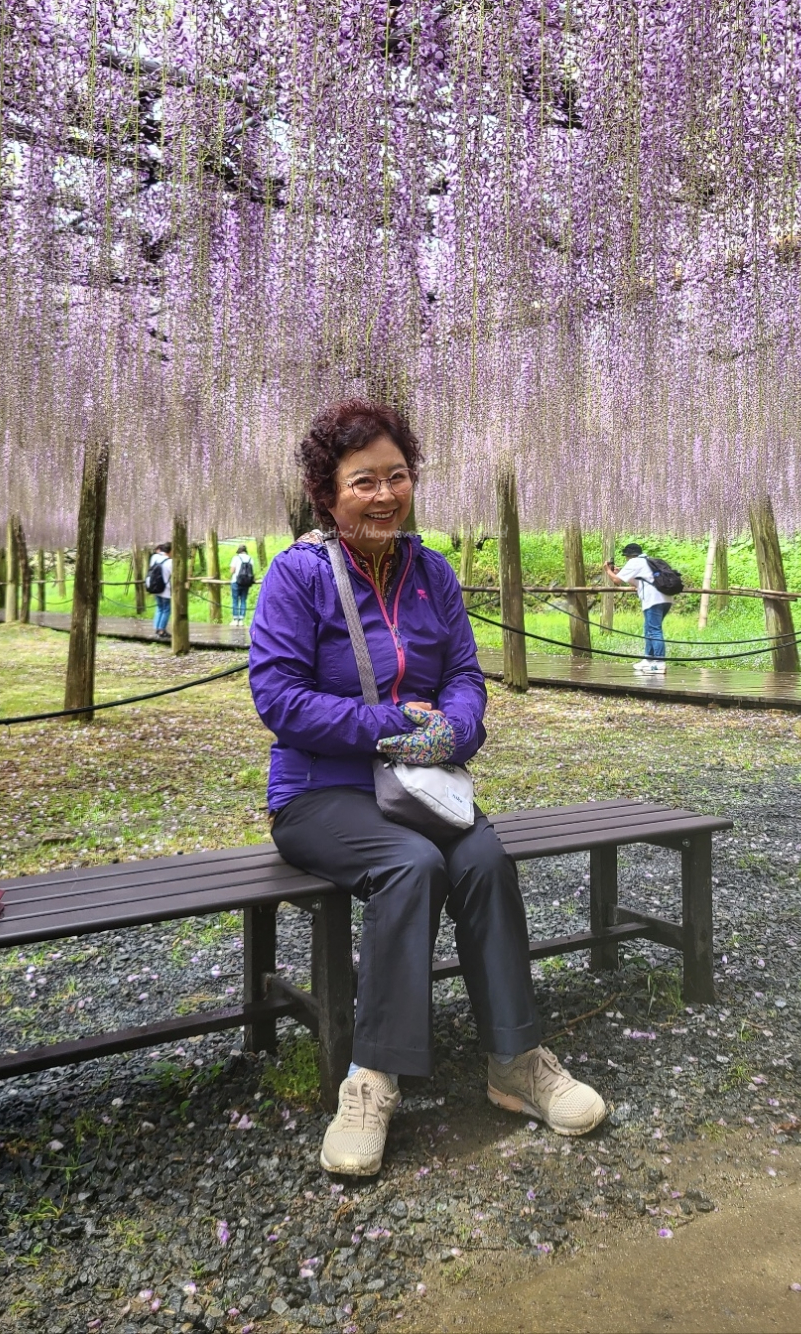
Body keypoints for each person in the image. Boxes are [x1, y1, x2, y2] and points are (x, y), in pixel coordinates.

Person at [249, 398, 605, 1177]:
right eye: (363, 481)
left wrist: (456, 729)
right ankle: (372, 1078)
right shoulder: (297, 575)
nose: (384, 495)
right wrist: (381, 723)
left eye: (397, 476)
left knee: (482, 857)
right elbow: (278, 697)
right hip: (319, 793)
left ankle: (515, 1060)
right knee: (411, 865)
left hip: (419, 787)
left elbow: (468, 678)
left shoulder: (432, 573)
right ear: (327, 491)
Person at [604, 541, 671, 675]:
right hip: (666, 598)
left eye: (626, 557)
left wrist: (607, 570)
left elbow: (617, 581)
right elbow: (636, 582)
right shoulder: (649, 562)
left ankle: (659, 663)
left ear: (630, 556)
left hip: (653, 599)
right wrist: (620, 572)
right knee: (649, 629)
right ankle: (648, 660)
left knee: (654, 630)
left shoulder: (634, 563)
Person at [148, 542, 173, 640]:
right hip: (165, 589)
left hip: (155, 587)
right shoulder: (170, 562)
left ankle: (157, 629)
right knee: (166, 609)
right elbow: (174, 573)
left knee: (159, 608)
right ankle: (162, 630)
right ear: (170, 551)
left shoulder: (154, 557)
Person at [229, 543, 255, 627]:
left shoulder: (236, 558)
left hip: (236, 581)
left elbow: (232, 570)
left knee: (235, 600)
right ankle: (241, 620)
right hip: (246, 583)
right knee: (243, 600)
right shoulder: (250, 559)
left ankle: (235, 619)